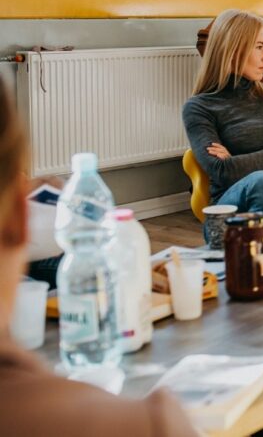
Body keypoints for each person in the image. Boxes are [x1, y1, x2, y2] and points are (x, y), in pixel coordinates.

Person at [0, 84, 198, 436]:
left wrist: (34, 185)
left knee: (82, 265)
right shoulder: (142, 424)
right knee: (96, 268)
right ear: (18, 219)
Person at [183, 9, 263, 218]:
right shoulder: (199, 107)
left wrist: (238, 163)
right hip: (231, 211)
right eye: (259, 47)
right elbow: (223, 172)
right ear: (230, 50)